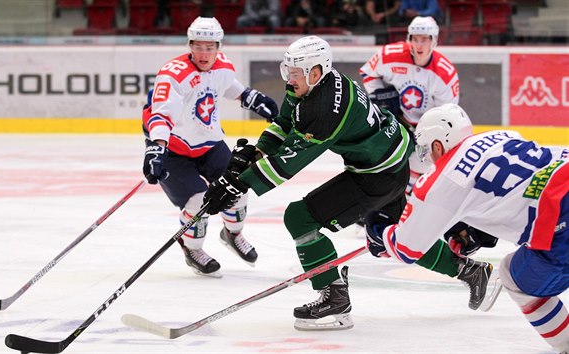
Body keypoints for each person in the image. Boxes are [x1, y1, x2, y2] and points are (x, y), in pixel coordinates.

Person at [202, 36, 494, 331]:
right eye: (287, 72)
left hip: (376, 176)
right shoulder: (313, 83)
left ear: (315, 72)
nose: (288, 80)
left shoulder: (326, 109)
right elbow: (286, 122)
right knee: (392, 238)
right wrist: (256, 152)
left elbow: (288, 162)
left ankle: (334, 298)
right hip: (390, 164)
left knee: (300, 218)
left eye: (294, 73)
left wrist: (239, 184)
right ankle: (469, 271)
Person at [365, 103, 569, 353]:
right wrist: (481, 226)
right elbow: (522, 184)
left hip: (560, 217)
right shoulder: (501, 135)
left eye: (427, 149)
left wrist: (380, 233)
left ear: (437, 145)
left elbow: (407, 249)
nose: (427, 157)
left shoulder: (440, 179)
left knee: (514, 277)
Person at [142, 17, 279, 277]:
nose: (204, 53)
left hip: (210, 143)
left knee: (239, 188)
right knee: (197, 202)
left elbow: (230, 87)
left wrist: (251, 98)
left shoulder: (223, 65)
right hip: (174, 149)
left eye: (210, 47)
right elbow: (160, 115)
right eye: (198, 46)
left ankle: (232, 234)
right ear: (189, 44)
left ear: (219, 46)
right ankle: (192, 249)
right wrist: (156, 147)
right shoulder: (172, 74)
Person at [359, 16, 457, 194]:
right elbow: (368, 73)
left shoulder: (445, 74)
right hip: (395, 120)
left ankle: (408, 196)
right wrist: (382, 99)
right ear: (409, 39)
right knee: (377, 159)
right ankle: (375, 202)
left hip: (426, 127)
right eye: (415, 39)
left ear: (434, 41)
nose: (419, 45)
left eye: (425, 40)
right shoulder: (390, 55)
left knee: (420, 165)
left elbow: (447, 114)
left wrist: (429, 131)